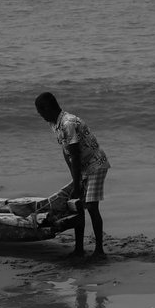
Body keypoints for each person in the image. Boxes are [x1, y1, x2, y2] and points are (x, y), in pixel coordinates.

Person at [34, 92, 110, 260]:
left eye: (41, 112)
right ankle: (79, 248)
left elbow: (75, 155)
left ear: (48, 108)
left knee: (91, 206)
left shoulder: (68, 123)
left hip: (96, 164)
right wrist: (75, 179)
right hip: (82, 167)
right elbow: (66, 151)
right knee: (77, 206)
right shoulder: (55, 123)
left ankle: (99, 250)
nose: (41, 116)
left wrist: (76, 185)